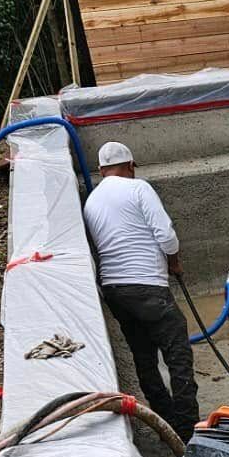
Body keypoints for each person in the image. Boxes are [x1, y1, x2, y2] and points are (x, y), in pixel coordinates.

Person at [81, 140, 197, 435]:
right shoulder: (138, 188)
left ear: (102, 169)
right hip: (147, 285)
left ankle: (165, 422)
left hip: (114, 290)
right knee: (177, 354)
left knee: (143, 355)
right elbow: (165, 235)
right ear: (130, 166)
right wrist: (174, 261)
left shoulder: (91, 201)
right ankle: (187, 429)